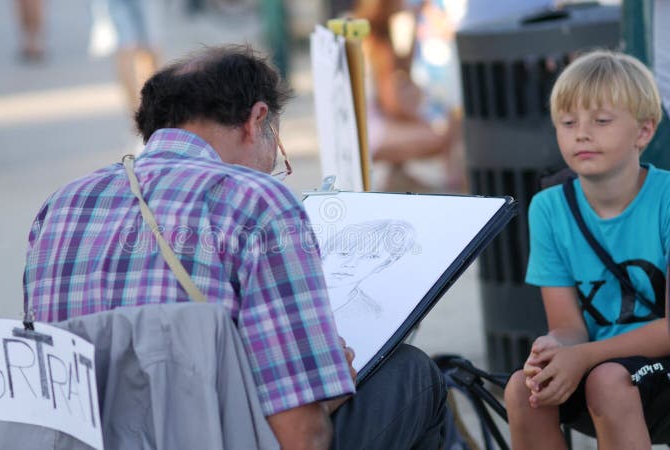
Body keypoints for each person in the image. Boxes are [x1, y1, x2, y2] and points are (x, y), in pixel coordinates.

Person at [23, 45, 446, 449]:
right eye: (277, 148)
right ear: (256, 119)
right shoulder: (255, 202)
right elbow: (300, 439)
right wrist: (327, 392)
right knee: (412, 374)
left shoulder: (62, 204)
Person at [503, 50, 670, 449]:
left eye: (601, 121)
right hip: (599, 364)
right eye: (568, 122)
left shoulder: (666, 198)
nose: (582, 133)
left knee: (608, 381)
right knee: (523, 390)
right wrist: (555, 349)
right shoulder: (548, 207)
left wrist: (586, 357)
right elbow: (569, 327)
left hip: (649, 367)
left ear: (643, 132)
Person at [354, 0, 463, 193]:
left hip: (366, 127)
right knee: (446, 131)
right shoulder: (378, 42)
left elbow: (402, 73)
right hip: (370, 133)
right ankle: (454, 182)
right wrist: (423, 120)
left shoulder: (369, 34)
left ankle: (399, 177)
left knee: (444, 122)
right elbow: (392, 104)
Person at [321, 219, 417, 319]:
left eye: (370, 257)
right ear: (324, 253)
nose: (350, 264)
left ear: (384, 264)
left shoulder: (371, 314)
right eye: (344, 254)